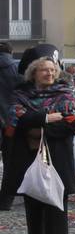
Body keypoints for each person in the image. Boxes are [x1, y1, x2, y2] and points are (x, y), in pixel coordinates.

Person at [5, 56, 75, 234]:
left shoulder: (65, 94)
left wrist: (38, 130)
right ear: (33, 73)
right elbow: (15, 120)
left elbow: (72, 123)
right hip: (28, 154)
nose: (49, 73)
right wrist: (47, 118)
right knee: (33, 199)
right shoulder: (21, 94)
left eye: (52, 70)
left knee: (56, 200)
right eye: (44, 70)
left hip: (57, 153)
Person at [0, 42, 23, 211]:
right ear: (11, 51)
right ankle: (6, 200)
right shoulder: (17, 68)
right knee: (10, 161)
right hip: (11, 121)